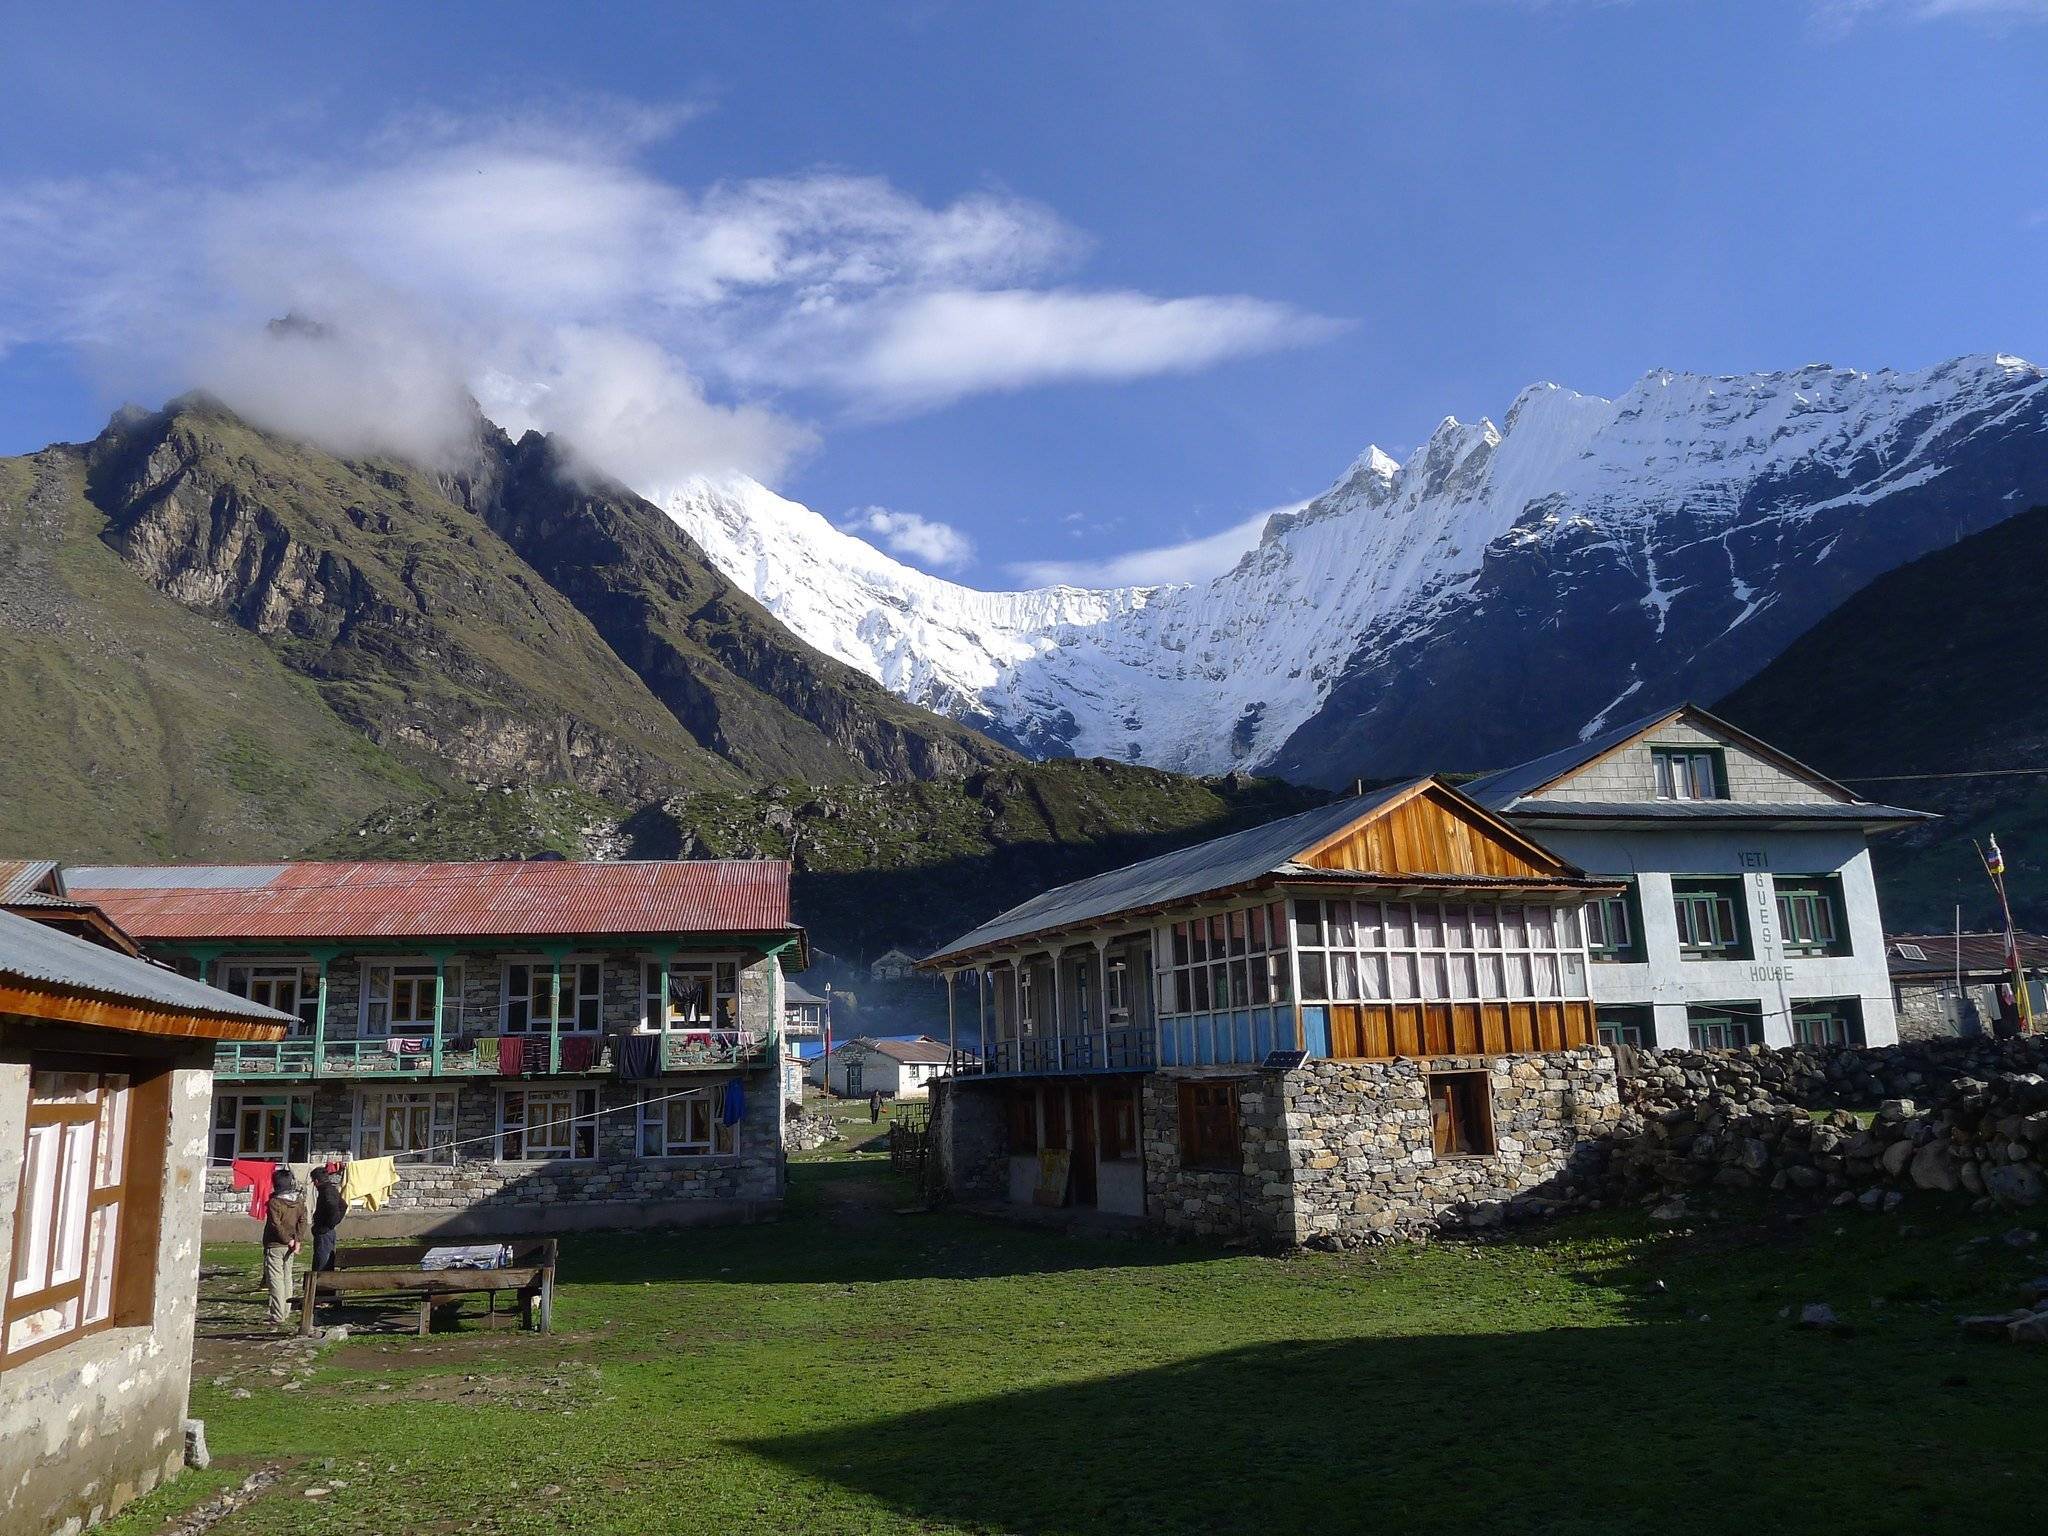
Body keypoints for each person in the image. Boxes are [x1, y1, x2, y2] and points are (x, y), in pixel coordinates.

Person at [262, 1167, 313, 1329]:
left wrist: (290, 1241)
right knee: (287, 1278)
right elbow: (303, 1221)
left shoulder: (275, 1203)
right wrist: (297, 1239)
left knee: (276, 1279)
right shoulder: (298, 1202)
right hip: (291, 1244)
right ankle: (285, 1310)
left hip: (276, 1244)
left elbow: (275, 1224)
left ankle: (278, 1314)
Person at [310, 1165, 346, 1272]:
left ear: (316, 1181)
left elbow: (335, 1207)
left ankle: (322, 1287)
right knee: (326, 1260)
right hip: (327, 1231)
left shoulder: (326, 1191)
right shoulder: (331, 1189)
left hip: (324, 1232)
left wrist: (330, 1224)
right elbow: (343, 1205)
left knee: (322, 1262)